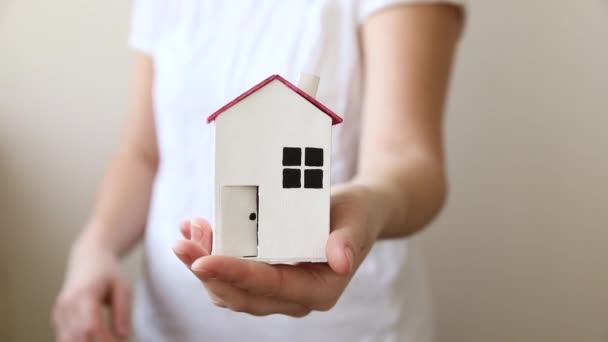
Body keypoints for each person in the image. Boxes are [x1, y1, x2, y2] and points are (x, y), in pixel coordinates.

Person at [52, 0, 465, 341]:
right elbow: (144, 152)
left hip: (348, 328)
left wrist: (366, 205)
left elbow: (408, 158)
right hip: (168, 326)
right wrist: (93, 247)